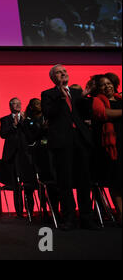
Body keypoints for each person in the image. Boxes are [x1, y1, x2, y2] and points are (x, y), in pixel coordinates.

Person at [41, 64, 99, 231]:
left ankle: (87, 218)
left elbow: (86, 114)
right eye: (59, 72)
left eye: (64, 71)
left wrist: (86, 96)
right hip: (61, 142)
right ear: (53, 77)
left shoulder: (76, 93)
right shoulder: (48, 94)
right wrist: (60, 96)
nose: (63, 74)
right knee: (64, 181)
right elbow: (49, 114)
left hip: (80, 140)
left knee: (84, 181)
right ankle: (69, 218)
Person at [91, 74, 122, 225]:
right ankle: (120, 213)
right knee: (116, 180)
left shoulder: (121, 99)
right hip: (111, 147)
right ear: (98, 88)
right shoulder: (98, 100)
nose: (107, 86)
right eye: (103, 85)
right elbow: (103, 113)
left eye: (109, 83)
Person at [22, 98, 59, 223]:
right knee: (43, 184)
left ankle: (56, 209)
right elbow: (30, 138)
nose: (39, 106)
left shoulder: (48, 117)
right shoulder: (27, 122)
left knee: (56, 183)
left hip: (52, 152)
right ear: (31, 107)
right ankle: (44, 210)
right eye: (36, 104)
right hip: (39, 156)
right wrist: (42, 129)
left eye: (40, 103)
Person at [0, 97, 32, 218]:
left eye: (19, 103)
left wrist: (25, 121)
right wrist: (13, 126)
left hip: (26, 154)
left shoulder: (26, 118)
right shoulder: (5, 120)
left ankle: (30, 210)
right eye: (15, 103)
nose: (18, 105)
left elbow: (30, 133)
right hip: (12, 155)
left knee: (28, 182)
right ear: (10, 106)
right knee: (16, 184)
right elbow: (2, 134)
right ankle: (19, 211)